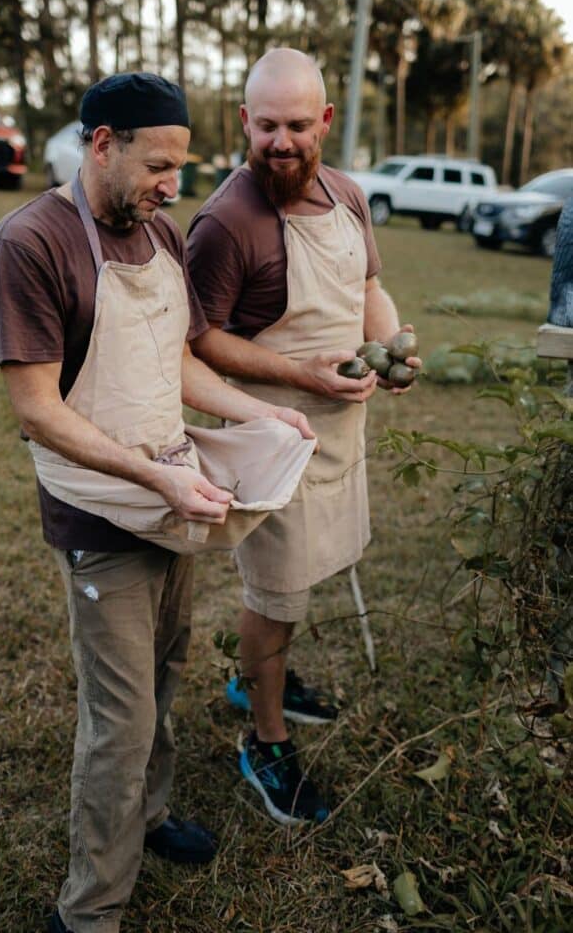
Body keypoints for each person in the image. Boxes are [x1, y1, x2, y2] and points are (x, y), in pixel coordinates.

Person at [0, 72, 313, 933]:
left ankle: (151, 817)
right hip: (102, 514)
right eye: (158, 164)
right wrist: (156, 476)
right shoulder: (30, 245)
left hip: (175, 494)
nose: (174, 185)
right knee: (120, 720)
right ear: (101, 143)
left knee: (165, 677)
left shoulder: (159, 233)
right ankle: (89, 909)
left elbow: (182, 364)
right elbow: (37, 409)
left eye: (180, 167)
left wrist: (261, 411)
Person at [187, 48, 421, 826]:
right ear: (242, 123)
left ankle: (259, 679)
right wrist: (305, 378)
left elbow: (367, 290)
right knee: (275, 588)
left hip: (339, 426)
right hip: (271, 432)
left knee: (306, 575)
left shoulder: (348, 194)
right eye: (265, 126)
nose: (280, 142)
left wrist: (394, 349)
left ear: (324, 122)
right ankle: (265, 736)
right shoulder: (226, 221)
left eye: (296, 124)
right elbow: (202, 343)